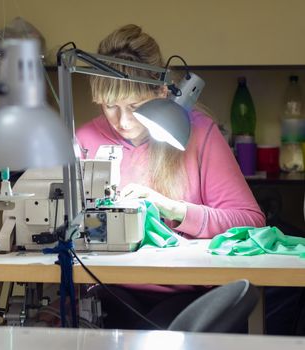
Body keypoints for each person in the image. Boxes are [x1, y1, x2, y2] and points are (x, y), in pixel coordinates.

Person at [76, 24, 269, 331]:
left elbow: (251, 220)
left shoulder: (199, 132)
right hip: (112, 288)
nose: (122, 122)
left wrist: (174, 209)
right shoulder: (86, 138)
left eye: (135, 107)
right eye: (110, 106)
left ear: (162, 92)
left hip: (192, 292)